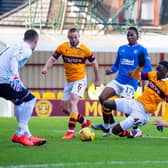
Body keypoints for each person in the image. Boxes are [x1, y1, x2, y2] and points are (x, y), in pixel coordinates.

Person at [91, 26, 152, 137]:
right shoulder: (121, 48)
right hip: (119, 80)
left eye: (131, 35)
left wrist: (135, 72)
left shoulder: (142, 50)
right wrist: (111, 70)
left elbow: (148, 69)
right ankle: (108, 125)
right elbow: (116, 65)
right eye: (128, 35)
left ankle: (136, 129)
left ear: (137, 36)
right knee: (102, 97)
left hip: (131, 83)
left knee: (125, 105)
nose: (129, 37)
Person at [41, 28, 100, 139]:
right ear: (68, 37)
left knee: (73, 101)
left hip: (80, 79)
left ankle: (70, 131)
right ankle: (84, 121)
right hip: (69, 81)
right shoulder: (63, 47)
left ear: (79, 37)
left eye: (75, 37)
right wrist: (45, 68)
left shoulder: (84, 49)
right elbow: (52, 59)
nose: (73, 39)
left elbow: (95, 64)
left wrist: (97, 79)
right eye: (71, 37)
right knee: (64, 108)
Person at [0, 29, 46, 146]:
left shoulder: (15, 46)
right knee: (31, 99)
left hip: (2, 80)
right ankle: (19, 134)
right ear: (36, 41)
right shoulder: (27, 49)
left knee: (19, 102)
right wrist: (15, 77)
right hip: (4, 80)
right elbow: (14, 60)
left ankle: (27, 135)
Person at [102, 60, 168, 138]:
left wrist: (164, 119)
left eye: (159, 70)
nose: (157, 71)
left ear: (166, 71)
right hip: (135, 103)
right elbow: (136, 76)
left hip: (143, 113)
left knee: (115, 131)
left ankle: (132, 133)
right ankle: (109, 125)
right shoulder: (153, 74)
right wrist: (139, 67)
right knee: (106, 103)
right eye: (157, 69)